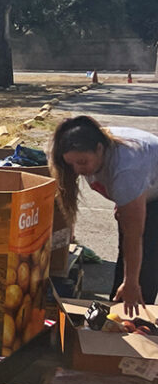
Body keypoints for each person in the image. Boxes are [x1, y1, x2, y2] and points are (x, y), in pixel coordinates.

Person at [49, 115, 158, 316]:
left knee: (145, 265)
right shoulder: (85, 143)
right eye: (71, 164)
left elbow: (134, 236)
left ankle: (139, 324)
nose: (77, 170)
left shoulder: (127, 169)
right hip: (143, 182)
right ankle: (116, 316)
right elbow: (66, 198)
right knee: (126, 256)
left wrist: (131, 283)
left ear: (100, 149)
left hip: (153, 192)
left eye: (82, 163)